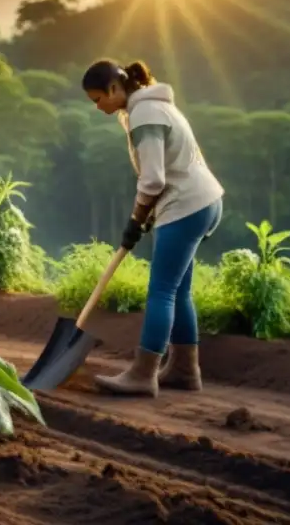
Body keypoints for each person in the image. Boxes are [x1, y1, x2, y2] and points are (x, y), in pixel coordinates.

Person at [81, 59, 224, 397]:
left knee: (161, 291)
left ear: (116, 88)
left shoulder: (144, 114)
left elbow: (154, 179)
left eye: (98, 98)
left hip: (185, 205)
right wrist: (143, 217)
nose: (97, 106)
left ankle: (143, 374)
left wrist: (135, 219)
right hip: (205, 202)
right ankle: (185, 369)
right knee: (179, 291)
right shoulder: (155, 106)